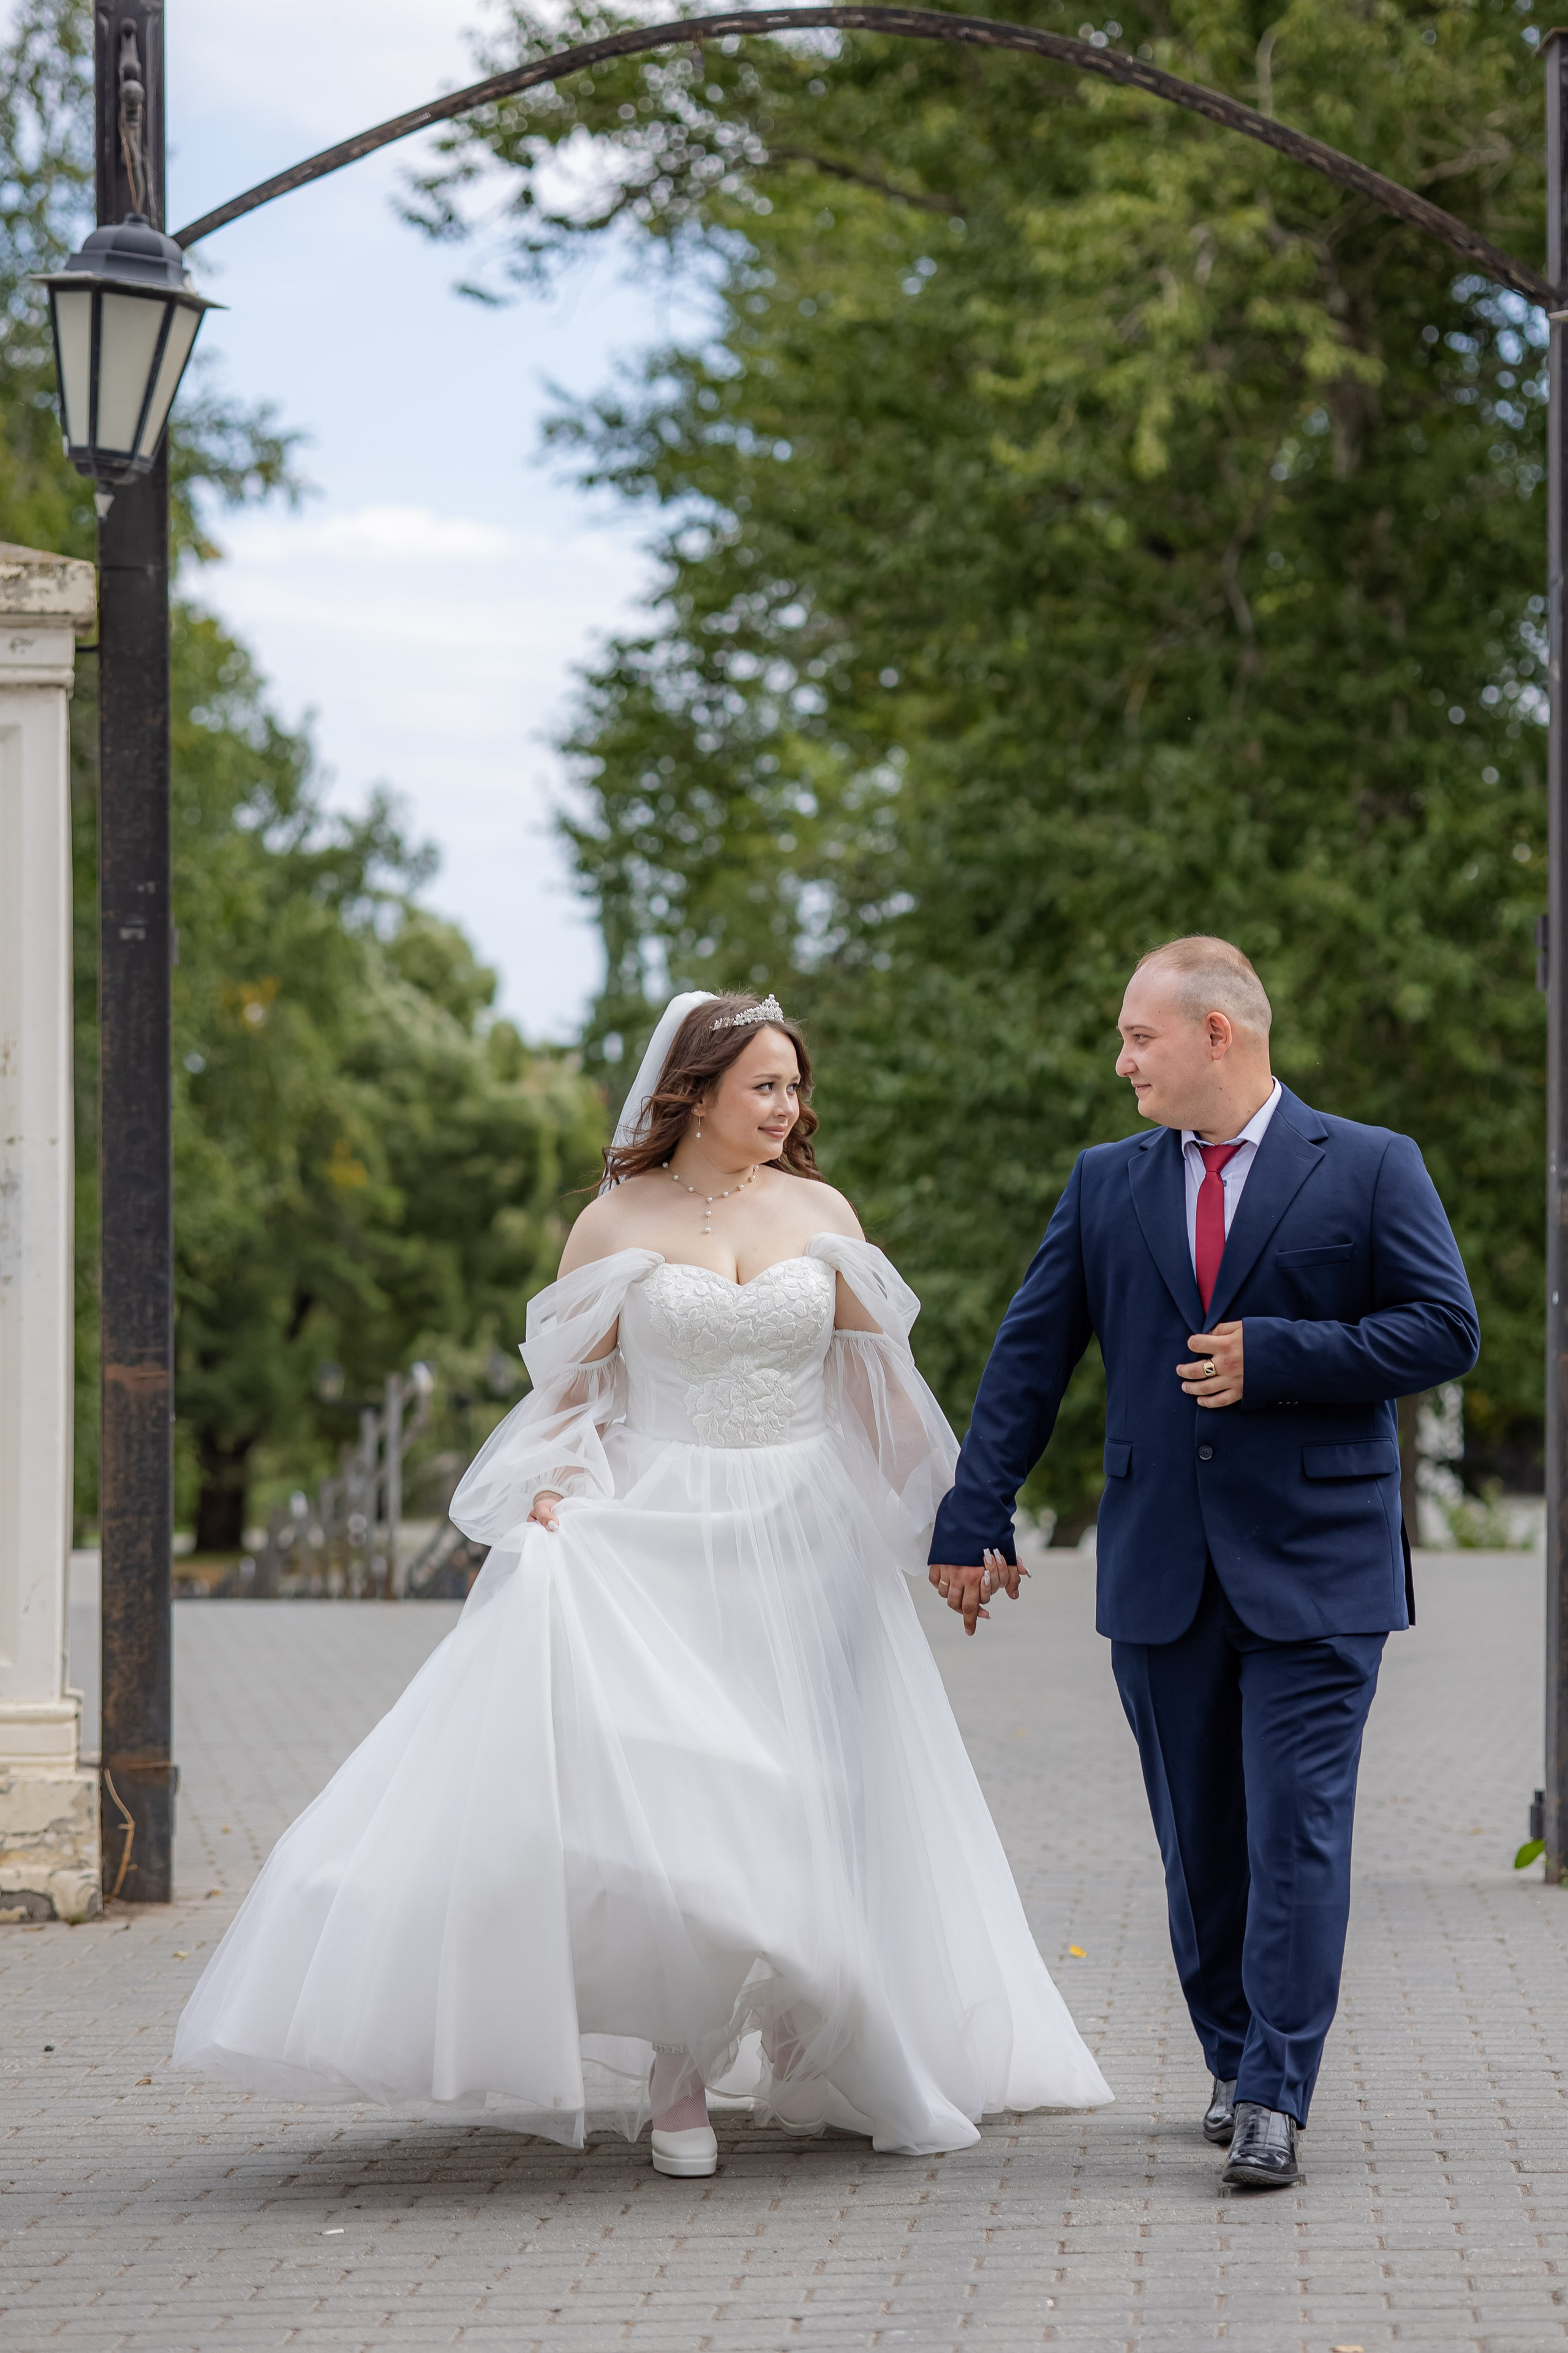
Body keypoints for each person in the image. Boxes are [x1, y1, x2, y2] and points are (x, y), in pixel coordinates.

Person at [175, 989, 1111, 2174]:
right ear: (697, 1091)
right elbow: (573, 1399)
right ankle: (678, 2072)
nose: (789, 1106)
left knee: (813, 1785)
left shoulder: (823, 1211)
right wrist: (554, 1488)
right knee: (686, 1803)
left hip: (805, 1537)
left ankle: (838, 2040)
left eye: (793, 1087)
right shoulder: (615, 1224)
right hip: (660, 1529)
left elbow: (879, 1394)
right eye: (765, 1085)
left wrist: (962, 1528)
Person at [929, 937, 1479, 2191]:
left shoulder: (1372, 1164)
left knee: (1296, 1832)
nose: (1120, 1059)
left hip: (1319, 1565)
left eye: (1138, 1036)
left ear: (1215, 1034)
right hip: (1162, 1568)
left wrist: (1276, 1353)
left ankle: (1276, 2090)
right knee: (1202, 1843)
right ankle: (1230, 2053)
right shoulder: (1104, 1182)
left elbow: (1444, 1326)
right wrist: (973, 1516)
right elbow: (1028, 1358)